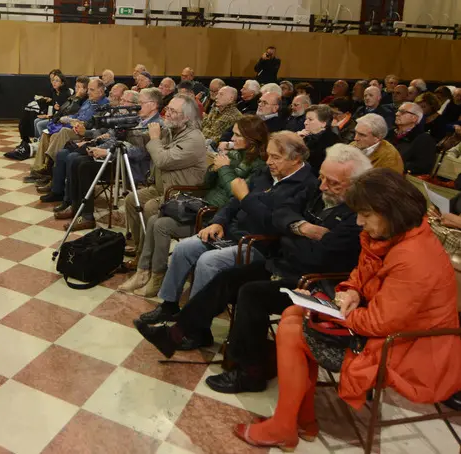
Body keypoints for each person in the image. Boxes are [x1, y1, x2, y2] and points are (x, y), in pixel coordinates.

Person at [233, 169, 461, 451]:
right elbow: (360, 275)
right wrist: (349, 291)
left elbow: (380, 324)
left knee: (294, 330)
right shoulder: (390, 236)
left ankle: (286, 425)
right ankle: (301, 420)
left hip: (408, 347)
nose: (359, 221)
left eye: (365, 214)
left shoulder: (414, 258)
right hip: (384, 327)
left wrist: (334, 310)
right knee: (295, 315)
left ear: (391, 211)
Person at [136, 145, 370, 379]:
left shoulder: (357, 217)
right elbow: (281, 214)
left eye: (333, 183)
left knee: (250, 293)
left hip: (311, 283)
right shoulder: (316, 193)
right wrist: (301, 228)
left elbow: (316, 256)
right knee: (227, 278)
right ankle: (177, 334)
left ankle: (248, 371)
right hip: (282, 263)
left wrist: (288, 234)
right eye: (322, 178)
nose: (322, 186)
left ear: (355, 184)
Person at [134, 132, 317, 324]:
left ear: (296, 159)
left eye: (276, 157)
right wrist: (218, 221)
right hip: (233, 232)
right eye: (269, 155)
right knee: (183, 249)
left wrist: (246, 198)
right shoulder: (266, 172)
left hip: (260, 244)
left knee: (208, 261)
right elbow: (233, 201)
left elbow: (274, 224)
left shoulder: (305, 186)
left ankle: (193, 325)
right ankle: (168, 305)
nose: (269, 161)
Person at [119, 115, 268, 297]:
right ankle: (144, 272)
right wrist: (213, 170)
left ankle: (157, 278)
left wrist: (223, 169)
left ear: (252, 138)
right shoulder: (235, 155)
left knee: (160, 225)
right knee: (153, 220)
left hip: (216, 216)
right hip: (205, 206)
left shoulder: (260, 167)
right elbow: (208, 184)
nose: (232, 138)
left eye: (237, 135)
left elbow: (237, 197)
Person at [56, 90, 162, 230]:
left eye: (140, 103)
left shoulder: (157, 125)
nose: (137, 106)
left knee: (83, 165)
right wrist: (98, 148)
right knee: (77, 160)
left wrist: (106, 152)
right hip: (119, 160)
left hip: (132, 167)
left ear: (153, 105)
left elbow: (141, 152)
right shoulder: (137, 119)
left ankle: (87, 216)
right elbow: (114, 138)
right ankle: (76, 207)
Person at [122, 94, 208, 247]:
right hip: (163, 187)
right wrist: (127, 129)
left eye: (173, 111)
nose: (167, 113)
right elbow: (145, 146)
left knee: (150, 207)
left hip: (181, 194)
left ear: (187, 118)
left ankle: (146, 256)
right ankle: (138, 247)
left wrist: (154, 139)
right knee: (131, 199)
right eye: (168, 109)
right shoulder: (171, 130)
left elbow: (163, 161)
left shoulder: (194, 139)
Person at [9, 70, 72, 159]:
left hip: (59, 119)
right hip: (53, 116)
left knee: (39, 124)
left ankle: (41, 146)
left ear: (62, 83)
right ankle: (38, 143)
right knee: (36, 120)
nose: (53, 82)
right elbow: (54, 108)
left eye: (56, 80)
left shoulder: (65, 94)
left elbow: (64, 111)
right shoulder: (54, 92)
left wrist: (50, 115)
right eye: (53, 80)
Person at [391, 102, 437, 175]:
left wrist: (393, 165)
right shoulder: (389, 132)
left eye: (402, 112)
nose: (397, 114)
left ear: (414, 118)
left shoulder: (423, 139)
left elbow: (422, 167)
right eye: (397, 110)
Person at [220, 92, 284, 143]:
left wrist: (229, 145)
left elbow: (256, 143)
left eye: (264, 103)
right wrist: (223, 141)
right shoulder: (249, 114)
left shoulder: (277, 125)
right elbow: (229, 131)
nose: (259, 104)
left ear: (275, 108)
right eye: (259, 101)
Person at [298, 105, 340, 174]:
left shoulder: (330, 142)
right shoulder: (307, 136)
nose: (305, 122)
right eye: (306, 119)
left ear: (323, 124)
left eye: (310, 119)